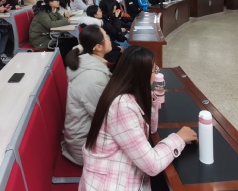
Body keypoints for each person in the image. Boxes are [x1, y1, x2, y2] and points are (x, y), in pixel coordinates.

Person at [80, 46, 197, 190]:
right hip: (112, 183)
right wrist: (179, 138)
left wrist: (149, 98)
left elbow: (151, 129)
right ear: (142, 75)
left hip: (122, 173)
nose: (156, 74)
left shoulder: (122, 92)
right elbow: (152, 165)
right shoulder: (122, 106)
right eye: (154, 70)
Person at [62, 25, 113, 165]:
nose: (109, 39)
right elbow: (104, 117)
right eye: (107, 37)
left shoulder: (86, 60)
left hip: (88, 134)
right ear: (98, 47)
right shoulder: (93, 78)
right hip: (85, 146)